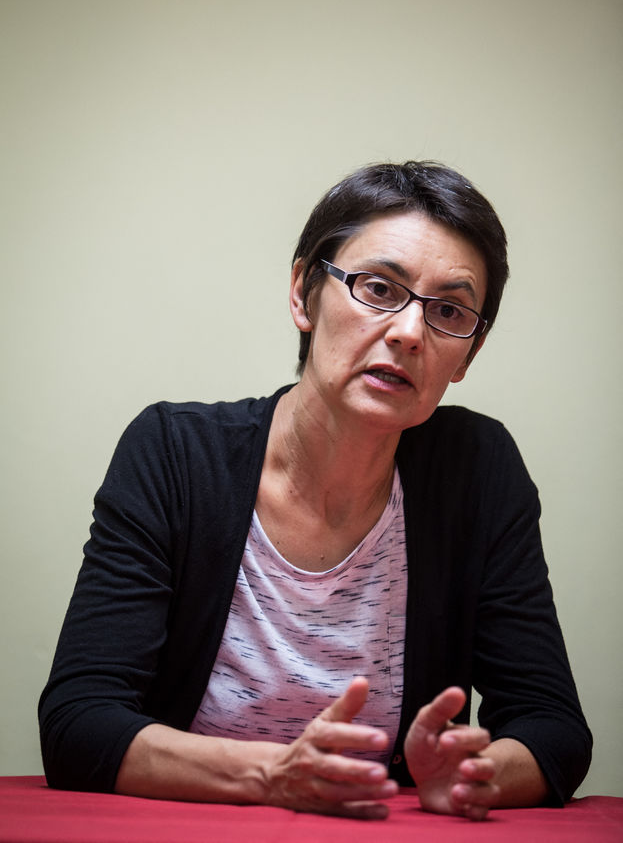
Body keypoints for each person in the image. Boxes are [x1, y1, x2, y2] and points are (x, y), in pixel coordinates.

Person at [39, 161, 591, 821]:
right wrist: (272, 775)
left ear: (467, 354)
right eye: (378, 288)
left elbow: (551, 729)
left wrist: (475, 775)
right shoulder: (175, 453)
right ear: (304, 294)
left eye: (448, 311)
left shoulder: (478, 471)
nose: (409, 332)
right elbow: (79, 723)